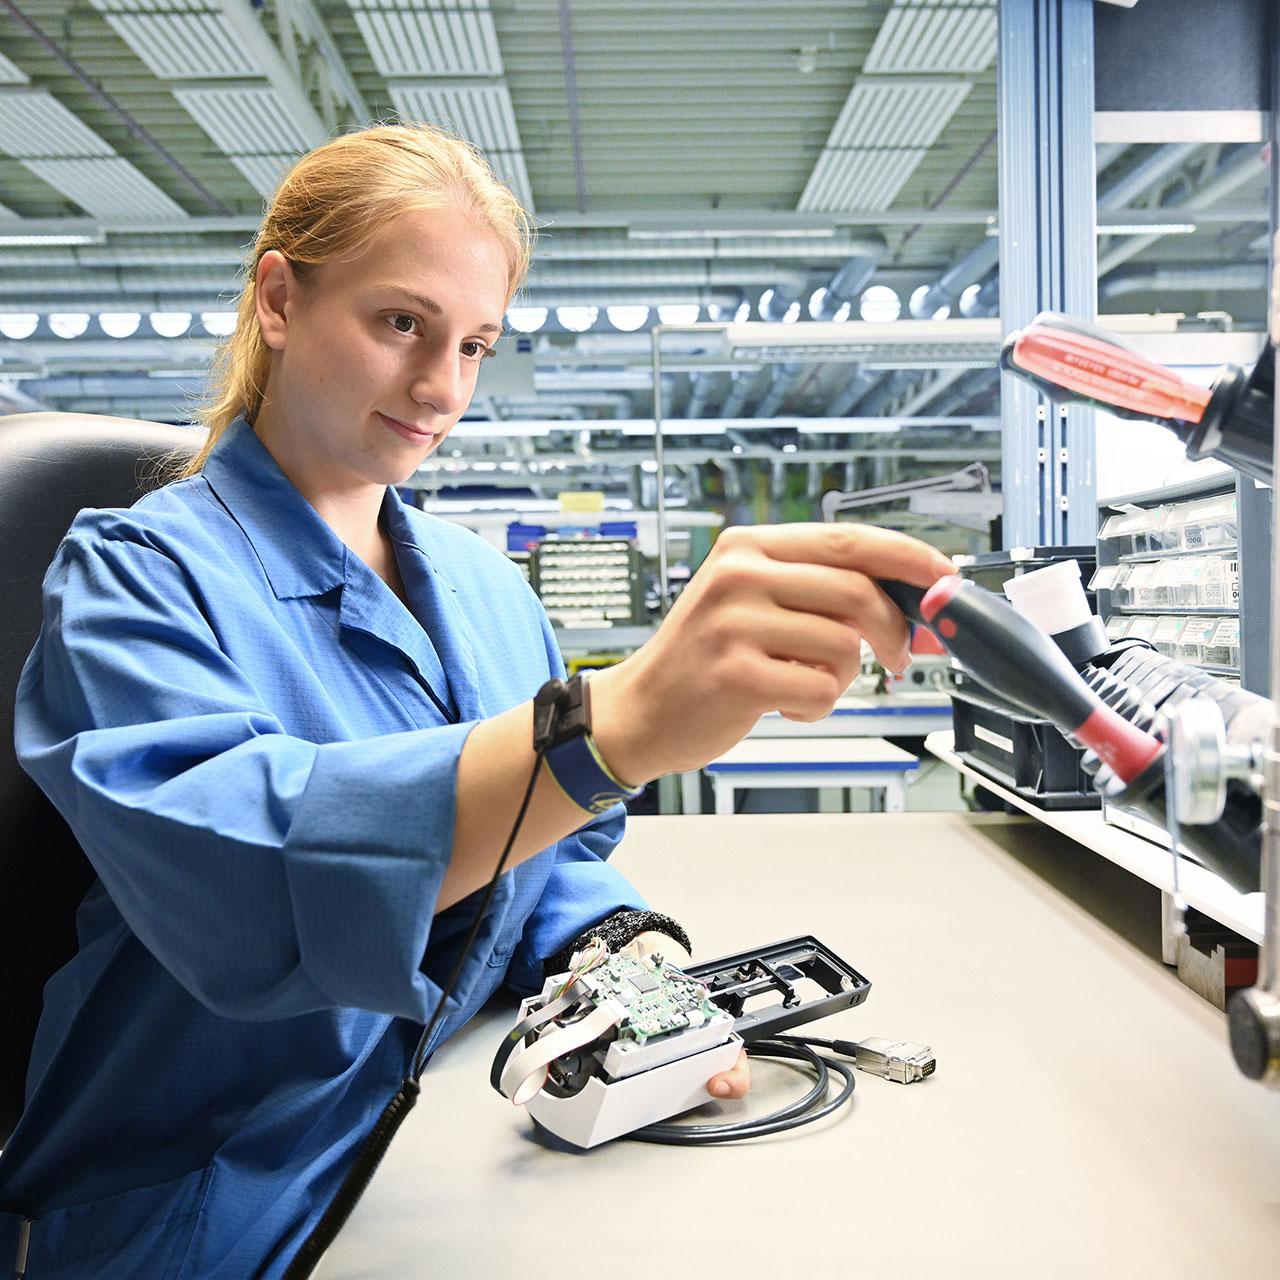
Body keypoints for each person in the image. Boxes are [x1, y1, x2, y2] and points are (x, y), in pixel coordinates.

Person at [0, 123, 954, 1278]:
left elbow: (555, 850)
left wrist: (613, 953)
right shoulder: (131, 574)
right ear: (279, 299)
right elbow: (245, 882)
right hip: (207, 1197)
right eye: (401, 322)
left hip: (426, 1133)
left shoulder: (484, 590)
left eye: (475, 343)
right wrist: (610, 726)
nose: (440, 386)